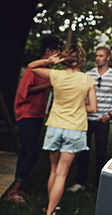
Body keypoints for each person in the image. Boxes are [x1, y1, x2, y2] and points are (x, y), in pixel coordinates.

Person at [28, 45, 97, 215]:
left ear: (65, 59)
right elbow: (93, 108)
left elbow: (31, 66)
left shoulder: (55, 75)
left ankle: (49, 206)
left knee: (53, 170)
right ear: (81, 60)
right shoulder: (87, 80)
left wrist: (49, 61)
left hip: (54, 126)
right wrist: (79, 107)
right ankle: (50, 211)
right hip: (75, 129)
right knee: (61, 174)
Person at [6, 36, 61, 203]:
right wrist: (49, 85)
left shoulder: (46, 69)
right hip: (26, 114)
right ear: (48, 52)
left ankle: (17, 187)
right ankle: (14, 191)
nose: (57, 56)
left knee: (25, 152)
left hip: (37, 115)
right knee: (33, 153)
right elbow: (26, 91)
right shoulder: (35, 68)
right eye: (56, 52)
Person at [68, 46, 112, 192]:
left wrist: (110, 115)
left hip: (102, 120)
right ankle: (80, 182)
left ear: (108, 58)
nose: (98, 58)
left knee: (101, 152)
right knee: (83, 151)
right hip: (86, 119)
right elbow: (81, 95)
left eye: (101, 56)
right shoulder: (88, 74)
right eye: (96, 56)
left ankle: (99, 184)